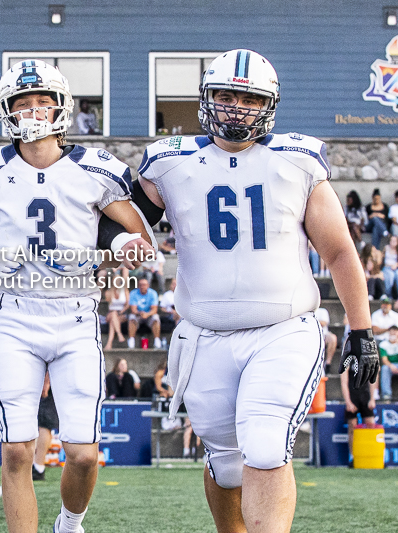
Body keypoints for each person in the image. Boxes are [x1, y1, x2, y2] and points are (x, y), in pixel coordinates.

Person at [111, 49, 378, 532]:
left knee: (267, 441)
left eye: (248, 98)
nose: (236, 108)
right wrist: (119, 239)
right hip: (204, 334)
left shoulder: (297, 160)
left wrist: (361, 330)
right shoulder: (168, 162)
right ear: (206, 99)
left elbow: (339, 252)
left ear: (268, 105)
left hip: (282, 330)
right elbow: (127, 227)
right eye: (226, 96)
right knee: (226, 462)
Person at [0, 59, 154, 533]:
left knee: (82, 455)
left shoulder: (96, 167)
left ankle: (69, 522)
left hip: (77, 314)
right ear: (8, 111)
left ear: (62, 108)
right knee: (17, 448)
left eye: (44, 101)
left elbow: (135, 231)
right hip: (17, 314)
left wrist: (123, 248)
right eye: (24, 103)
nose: (35, 111)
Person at [340, 353, 378, 465]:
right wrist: (348, 402)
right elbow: (344, 382)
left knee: (370, 424)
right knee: (352, 425)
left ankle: (370, 454)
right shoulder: (347, 359)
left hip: (365, 395)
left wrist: (372, 398)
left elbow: (373, 379)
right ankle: (353, 456)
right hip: (352, 395)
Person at [32, 372, 58, 481]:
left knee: (44, 424)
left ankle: (38, 466)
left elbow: (49, 357)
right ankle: (37, 465)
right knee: (43, 424)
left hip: (50, 380)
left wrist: (46, 382)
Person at [126, 277, 162, 348]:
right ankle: (131, 340)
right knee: (132, 317)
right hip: (138, 314)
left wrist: (147, 314)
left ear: (148, 285)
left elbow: (154, 309)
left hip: (149, 315)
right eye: (141, 285)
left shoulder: (153, 293)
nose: (142, 286)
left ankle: (157, 340)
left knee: (156, 318)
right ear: (138, 286)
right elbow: (133, 309)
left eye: (144, 285)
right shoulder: (133, 293)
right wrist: (140, 313)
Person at [104, 282, 128, 350]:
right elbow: (108, 302)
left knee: (113, 321)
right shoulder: (108, 292)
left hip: (121, 313)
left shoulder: (125, 290)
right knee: (113, 314)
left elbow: (127, 304)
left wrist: (120, 312)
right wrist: (112, 291)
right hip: (111, 313)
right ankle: (119, 334)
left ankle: (109, 343)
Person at [315, 307, 338, 375]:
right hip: (310, 335)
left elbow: (324, 323)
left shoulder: (322, 310)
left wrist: (312, 321)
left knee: (333, 338)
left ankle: (328, 363)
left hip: (323, 334)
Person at [379, 325, 398, 401]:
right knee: (384, 369)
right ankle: (386, 394)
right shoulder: (383, 344)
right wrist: (391, 366)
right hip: (390, 366)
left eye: (395, 333)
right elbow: (384, 360)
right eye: (391, 333)